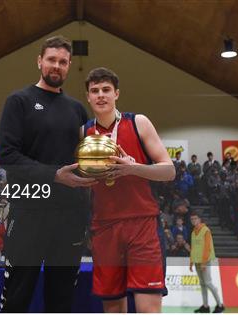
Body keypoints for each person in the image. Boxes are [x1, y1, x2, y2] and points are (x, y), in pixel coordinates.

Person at [0, 35, 95, 312]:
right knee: (16, 297)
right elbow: (8, 156)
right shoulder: (19, 101)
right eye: (51, 60)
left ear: (68, 66)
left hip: (70, 219)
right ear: (39, 61)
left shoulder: (77, 109)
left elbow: (85, 160)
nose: (57, 66)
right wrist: (55, 175)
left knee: (61, 300)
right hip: (29, 214)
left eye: (63, 62)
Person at [83, 67, 175, 312]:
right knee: (113, 308)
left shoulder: (138, 123)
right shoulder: (83, 133)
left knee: (148, 308)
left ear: (117, 94)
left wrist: (133, 169)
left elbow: (169, 171)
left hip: (142, 225)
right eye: (95, 91)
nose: (101, 95)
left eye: (106, 90)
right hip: (104, 227)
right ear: (88, 97)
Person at [189, 212, 224, 313]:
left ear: (200, 219)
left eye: (195, 219)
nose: (193, 221)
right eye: (192, 219)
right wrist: (191, 261)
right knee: (202, 284)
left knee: (208, 283)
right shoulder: (193, 232)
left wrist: (204, 262)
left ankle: (220, 304)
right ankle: (205, 306)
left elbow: (207, 248)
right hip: (197, 261)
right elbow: (193, 248)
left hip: (205, 261)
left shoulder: (206, 230)